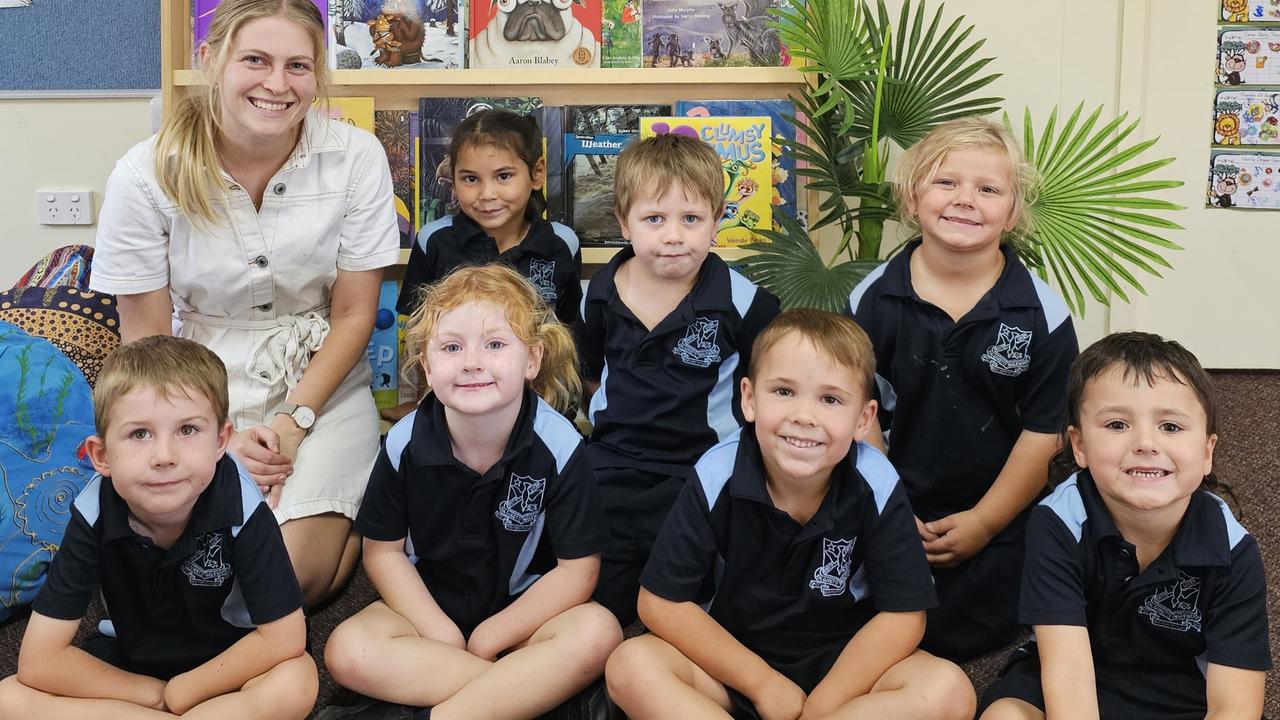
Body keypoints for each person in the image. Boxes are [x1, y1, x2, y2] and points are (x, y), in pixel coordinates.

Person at [88, 0, 400, 607]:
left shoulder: (357, 157)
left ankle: (352, 517)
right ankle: (360, 520)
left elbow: (356, 313)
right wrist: (213, 438)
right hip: (196, 383)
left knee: (279, 582)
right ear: (211, 60)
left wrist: (293, 423)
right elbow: (148, 344)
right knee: (201, 579)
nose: (277, 84)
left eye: (298, 66)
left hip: (320, 384)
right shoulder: (145, 173)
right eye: (254, 60)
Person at [605, 309, 976, 720]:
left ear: (863, 419)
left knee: (950, 691)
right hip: (731, 667)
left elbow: (904, 616)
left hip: (846, 673)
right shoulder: (716, 473)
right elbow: (660, 603)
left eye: (830, 399)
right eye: (783, 391)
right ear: (749, 398)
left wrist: (821, 706)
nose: (804, 416)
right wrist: (762, 684)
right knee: (631, 666)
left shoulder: (877, 480)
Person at [323, 265, 622, 719]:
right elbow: (382, 553)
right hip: (427, 613)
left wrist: (491, 636)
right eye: (451, 347)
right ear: (427, 363)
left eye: (496, 344)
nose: (471, 362)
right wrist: (441, 633)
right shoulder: (403, 442)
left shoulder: (560, 445)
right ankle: (519, 697)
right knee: (346, 651)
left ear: (532, 360)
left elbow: (578, 570)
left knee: (600, 632)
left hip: (524, 617)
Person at [846, 116, 1078, 661]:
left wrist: (983, 522)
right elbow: (859, 416)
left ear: (1014, 212)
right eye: (946, 182)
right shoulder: (870, 301)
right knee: (848, 598)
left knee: (987, 623)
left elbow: (1044, 433)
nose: (965, 200)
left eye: (988, 189)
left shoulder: (1043, 314)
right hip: (892, 499)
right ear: (911, 195)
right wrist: (894, 510)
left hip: (1000, 505)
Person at [0, 336, 316, 719]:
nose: (164, 457)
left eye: (187, 430)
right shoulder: (92, 510)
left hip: (231, 662)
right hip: (134, 669)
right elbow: (40, 660)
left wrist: (184, 692)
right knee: (9, 697)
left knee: (296, 680)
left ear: (221, 442)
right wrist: (155, 696)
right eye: (139, 434)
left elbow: (284, 636)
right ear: (101, 455)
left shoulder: (241, 503)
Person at [978, 332, 1271, 720]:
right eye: (1117, 424)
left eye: (1170, 426)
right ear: (1079, 446)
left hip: (1180, 692)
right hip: (1069, 677)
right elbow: (1068, 677)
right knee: (1005, 716)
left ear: (1206, 452)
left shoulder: (1233, 549)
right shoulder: (1058, 522)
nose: (1145, 443)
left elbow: (1234, 706)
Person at [577, 132, 780, 626]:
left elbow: (768, 386)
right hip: (615, 457)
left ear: (716, 222)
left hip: (702, 463)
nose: (674, 235)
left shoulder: (747, 303)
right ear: (625, 223)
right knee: (599, 587)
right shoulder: (599, 294)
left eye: (691, 219)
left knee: (697, 587)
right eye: (654, 219)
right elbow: (587, 372)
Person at [394, 108, 582, 326]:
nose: (487, 195)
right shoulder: (433, 240)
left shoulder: (563, 243)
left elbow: (568, 331)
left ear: (537, 173)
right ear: (452, 179)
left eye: (504, 176)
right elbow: (416, 330)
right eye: (471, 179)